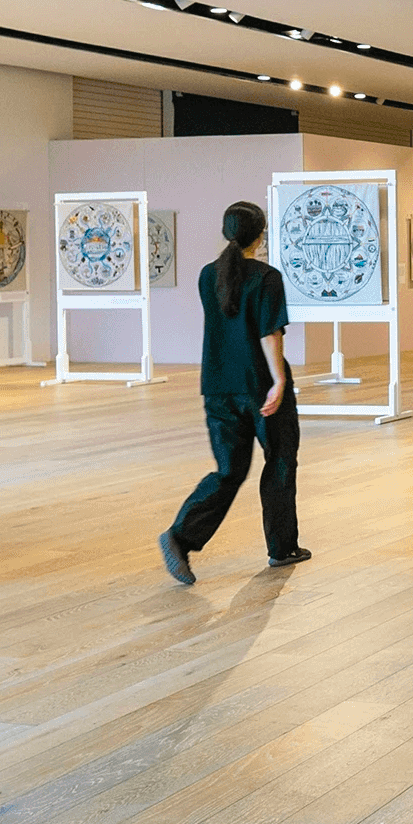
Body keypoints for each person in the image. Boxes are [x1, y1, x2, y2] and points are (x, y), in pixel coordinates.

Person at [159, 201, 310, 585]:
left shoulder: (208, 275)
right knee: (280, 460)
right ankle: (282, 548)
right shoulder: (267, 278)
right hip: (259, 387)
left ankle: (180, 536)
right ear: (260, 235)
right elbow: (268, 334)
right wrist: (279, 381)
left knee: (229, 471)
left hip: (217, 387)